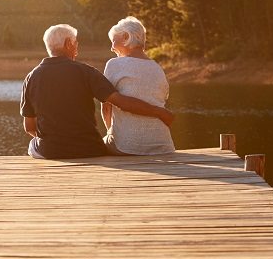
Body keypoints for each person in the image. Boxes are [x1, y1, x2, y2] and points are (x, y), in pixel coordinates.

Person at [20, 24, 174, 159]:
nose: (77, 50)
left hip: (50, 150)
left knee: (32, 145)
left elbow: (30, 127)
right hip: (89, 148)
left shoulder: (31, 78)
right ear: (68, 44)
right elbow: (122, 102)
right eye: (76, 44)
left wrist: (55, 141)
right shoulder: (87, 72)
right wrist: (159, 112)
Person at [101, 16, 175, 155]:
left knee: (101, 142)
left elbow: (106, 107)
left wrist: (110, 132)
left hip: (128, 147)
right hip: (163, 146)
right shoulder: (157, 68)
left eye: (113, 41)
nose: (111, 48)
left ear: (125, 37)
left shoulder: (114, 64)